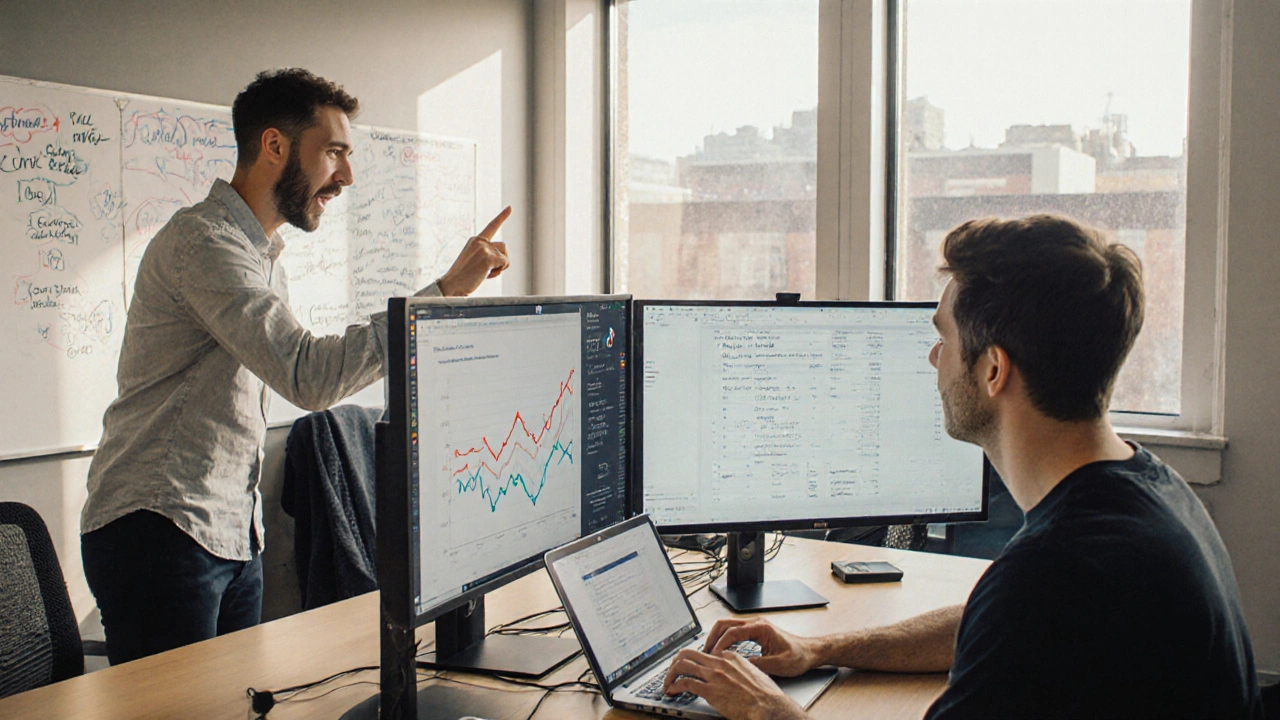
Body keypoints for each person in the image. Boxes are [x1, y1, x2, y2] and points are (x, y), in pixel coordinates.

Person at [662, 215, 1263, 719]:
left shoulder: (1056, 574)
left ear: (993, 370)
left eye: (943, 338)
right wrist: (819, 648)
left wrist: (771, 712)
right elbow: (993, 621)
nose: (932, 357)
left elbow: (1021, 610)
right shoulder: (1145, 487)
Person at [79, 68, 512, 664]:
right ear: (275, 145)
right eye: (333, 151)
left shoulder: (261, 254)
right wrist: (443, 293)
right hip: (160, 528)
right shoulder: (205, 244)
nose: (347, 176)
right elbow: (309, 375)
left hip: (229, 530)